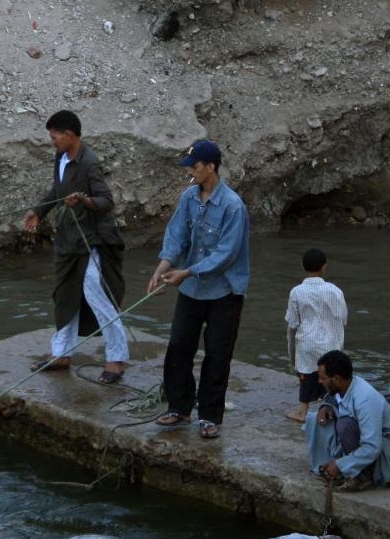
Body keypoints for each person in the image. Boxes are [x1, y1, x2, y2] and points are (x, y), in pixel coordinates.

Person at [147, 139, 251, 440]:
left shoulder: (233, 206)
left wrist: (186, 272)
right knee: (179, 346)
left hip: (224, 291)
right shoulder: (189, 198)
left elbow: (225, 254)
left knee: (217, 354)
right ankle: (178, 406)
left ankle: (209, 416)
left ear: (211, 167)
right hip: (191, 288)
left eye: (194, 167)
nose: (189, 172)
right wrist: (162, 269)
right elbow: (177, 237)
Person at [23, 110, 129, 383]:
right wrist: (39, 211)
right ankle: (62, 353)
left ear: (69, 135)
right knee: (65, 295)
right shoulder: (61, 156)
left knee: (97, 296)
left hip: (91, 241)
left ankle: (116, 359)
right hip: (68, 240)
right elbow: (57, 191)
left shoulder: (89, 163)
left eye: (54, 136)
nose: (52, 141)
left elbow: (106, 201)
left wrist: (84, 200)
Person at [304, 350, 390, 489]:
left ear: (337, 379)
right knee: (314, 419)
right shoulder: (344, 386)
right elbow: (334, 399)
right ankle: (341, 468)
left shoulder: (365, 399)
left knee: (344, 425)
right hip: (365, 443)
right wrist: (326, 406)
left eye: (323, 378)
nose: (319, 381)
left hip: (384, 453)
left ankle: (364, 475)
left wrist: (341, 465)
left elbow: (372, 447)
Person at [284, 248, 348, 423]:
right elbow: (343, 318)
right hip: (331, 343)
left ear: (302, 266)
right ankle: (333, 410)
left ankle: (303, 412)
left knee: (307, 376)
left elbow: (293, 323)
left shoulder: (296, 292)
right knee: (332, 379)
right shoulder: (335, 291)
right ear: (324, 267)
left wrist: (292, 357)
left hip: (307, 342)